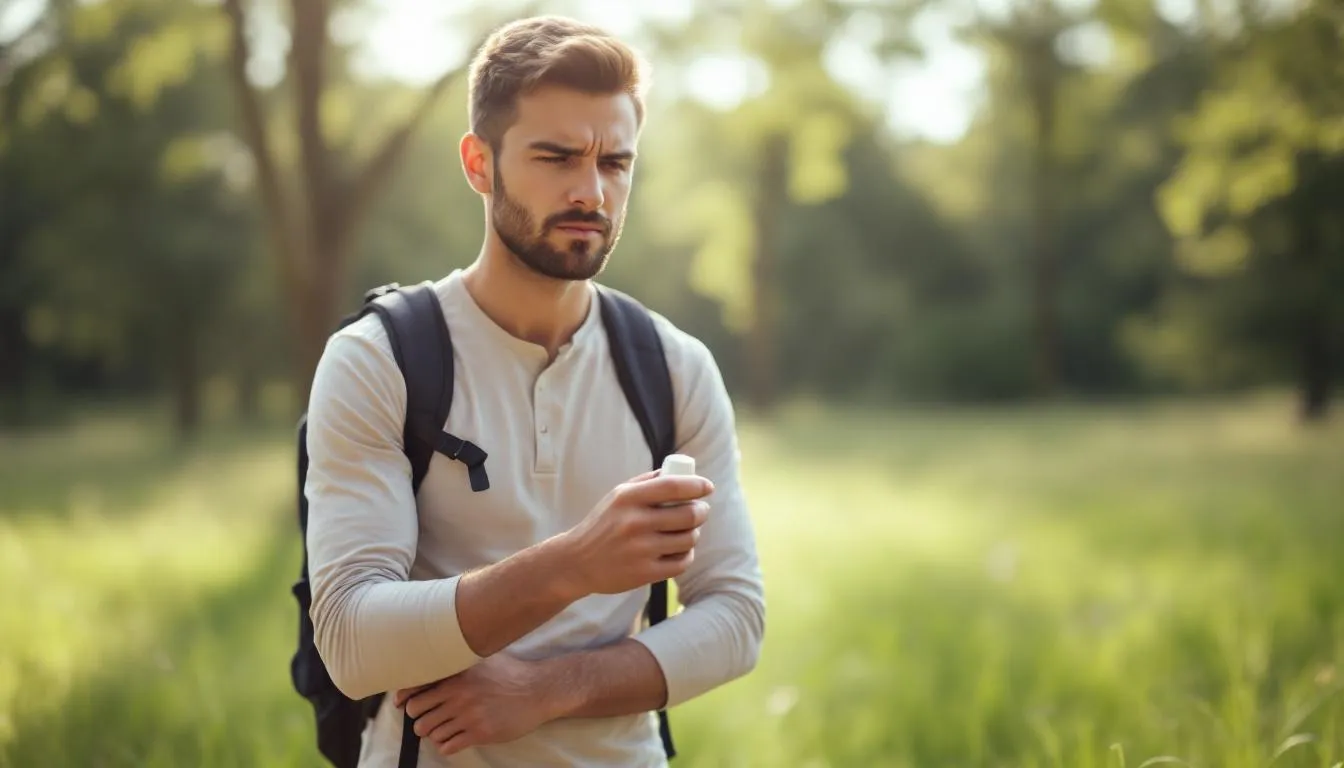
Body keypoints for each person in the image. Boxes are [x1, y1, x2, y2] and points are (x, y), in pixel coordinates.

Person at [302, 14, 766, 767]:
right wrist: (574, 565)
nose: (592, 192)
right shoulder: (379, 360)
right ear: (478, 164)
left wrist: (551, 688)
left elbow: (737, 617)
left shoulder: (673, 366)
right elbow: (352, 642)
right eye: (556, 157)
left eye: (615, 162)